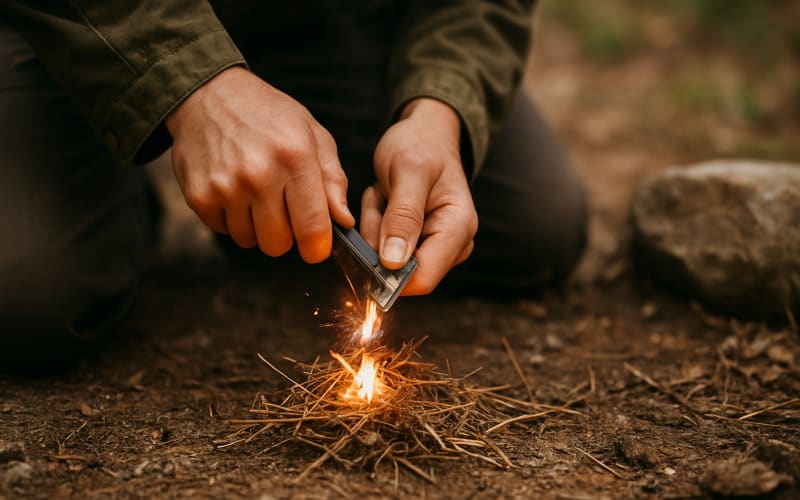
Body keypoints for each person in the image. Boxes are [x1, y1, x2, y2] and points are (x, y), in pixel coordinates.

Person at [0, 1, 586, 371]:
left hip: (330, 18)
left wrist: (439, 110)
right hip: (79, 20)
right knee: (29, 287)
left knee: (532, 223)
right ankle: (127, 144)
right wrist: (191, 83)